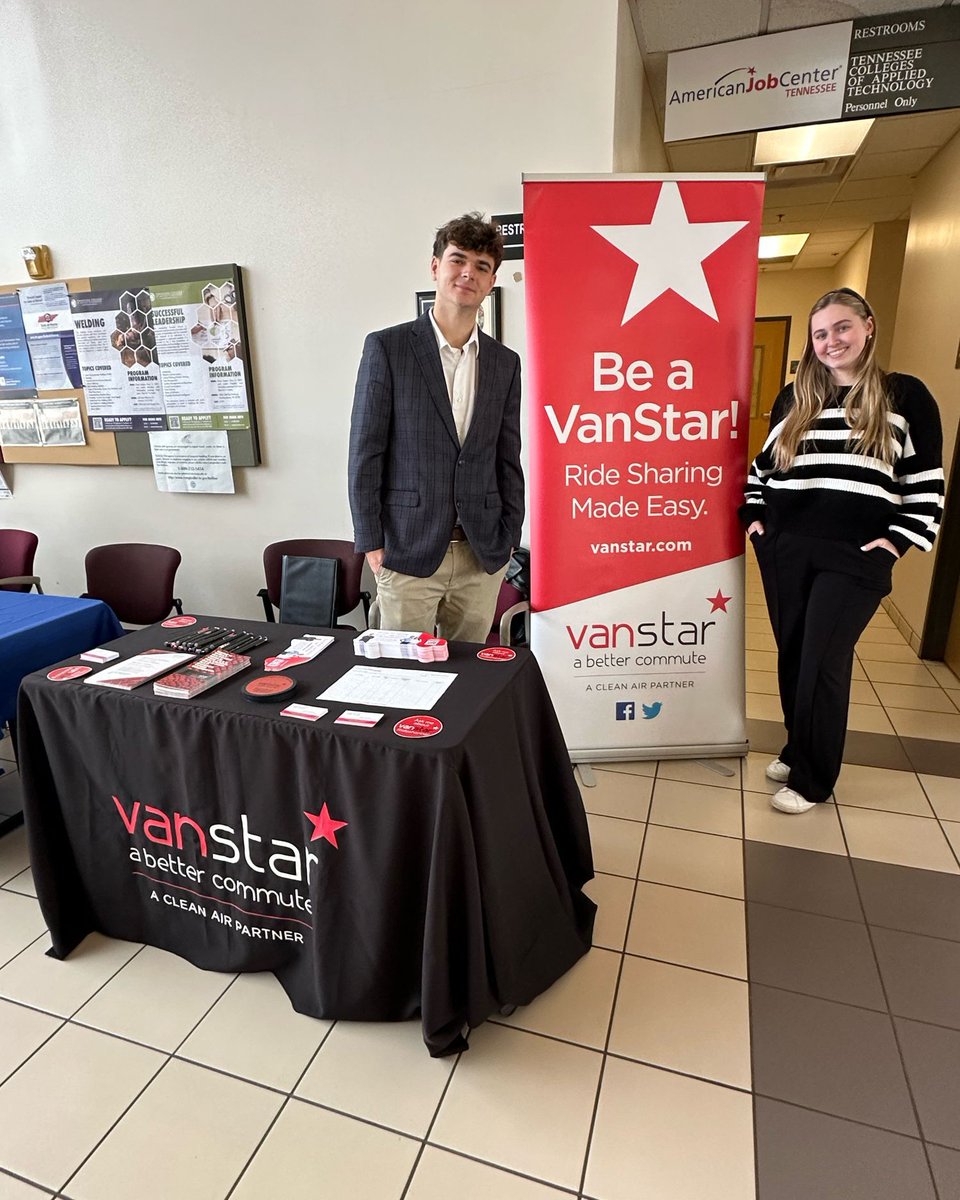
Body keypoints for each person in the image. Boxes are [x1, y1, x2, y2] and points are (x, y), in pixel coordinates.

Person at [741, 288, 944, 814]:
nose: (832, 341)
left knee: (823, 660)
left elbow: (926, 483)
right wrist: (756, 520)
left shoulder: (905, 396)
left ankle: (813, 778)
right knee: (792, 654)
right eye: (821, 333)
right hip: (786, 548)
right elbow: (761, 470)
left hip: (855, 557)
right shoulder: (795, 398)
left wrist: (895, 543)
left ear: (869, 327)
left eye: (842, 328)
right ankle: (796, 746)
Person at [348, 213, 523, 642]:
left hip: (481, 555)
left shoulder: (504, 362)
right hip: (406, 550)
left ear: (491, 279)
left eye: (481, 266)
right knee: (399, 678)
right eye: (457, 260)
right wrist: (372, 542)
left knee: (469, 683)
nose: (468, 273)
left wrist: (509, 539)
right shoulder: (388, 348)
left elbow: (508, 457)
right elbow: (365, 452)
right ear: (435, 267)